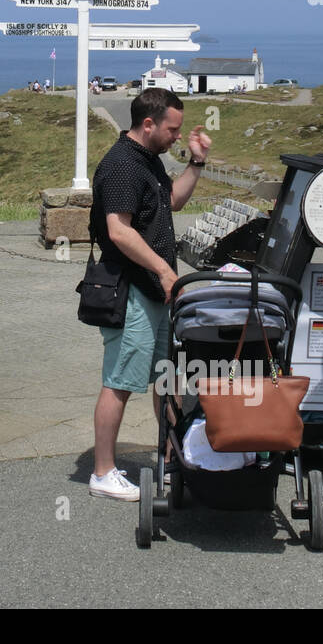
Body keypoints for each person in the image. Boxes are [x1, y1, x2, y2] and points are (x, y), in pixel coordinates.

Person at [88, 88, 211, 501]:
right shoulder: (123, 165)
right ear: (148, 124)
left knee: (165, 378)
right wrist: (163, 270)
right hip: (134, 289)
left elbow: (171, 202)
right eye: (173, 130)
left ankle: (173, 454)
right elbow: (118, 230)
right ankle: (103, 473)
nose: (177, 136)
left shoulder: (149, 161)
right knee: (120, 380)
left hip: (154, 290)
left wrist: (196, 162)